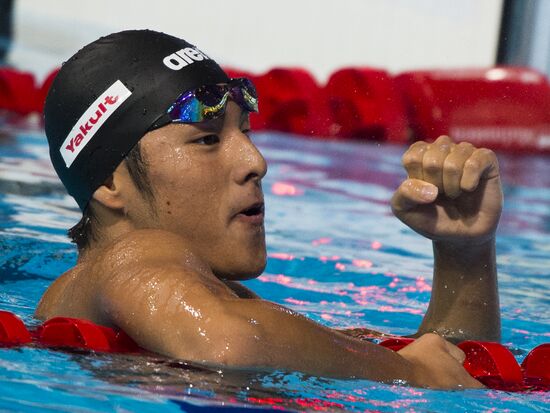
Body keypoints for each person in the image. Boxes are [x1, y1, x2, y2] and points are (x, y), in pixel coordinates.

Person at [36, 30, 502, 389]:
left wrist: (464, 252)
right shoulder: (130, 259)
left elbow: (453, 372)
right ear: (109, 184)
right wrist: (409, 372)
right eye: (207, 139)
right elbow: (227, 341)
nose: (255, 162)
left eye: (247, 132)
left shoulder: (221, 300)